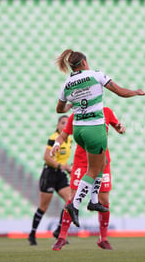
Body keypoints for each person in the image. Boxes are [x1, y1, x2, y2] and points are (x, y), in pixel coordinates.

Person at [54, 49, 145, 228]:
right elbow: (119, 91)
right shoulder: (96, 75)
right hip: (94, 128)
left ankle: (94, 200)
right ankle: (75, 204)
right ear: (84, 62)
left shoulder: (67, 83)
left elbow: (59, 109)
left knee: (100, 164)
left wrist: (71, 106)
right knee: (93, 171)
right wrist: (135, 92)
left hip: (79, 129)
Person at [51, 107, 125, 251]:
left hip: (102, 161)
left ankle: (103, 239)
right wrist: (57, 144)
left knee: (104, 200)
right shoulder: (76, 115)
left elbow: (119, 127)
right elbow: (63, 135)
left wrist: (122, 128)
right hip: (82, 162)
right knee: (72, 198)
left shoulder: (107, 112)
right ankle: (62, 237)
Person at [28, 116, 72, 246]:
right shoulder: (54, 138)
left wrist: (67, 168)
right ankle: (32, 234)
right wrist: (60, 166)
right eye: (63, 123)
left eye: (67, 123)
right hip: (49, 174)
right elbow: (46, 157)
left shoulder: (69, 138)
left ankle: (59, 230)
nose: (65, 125)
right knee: (43, 207)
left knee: (70, 201)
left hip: (61, 175)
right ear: (58, 125)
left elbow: (62, 159)